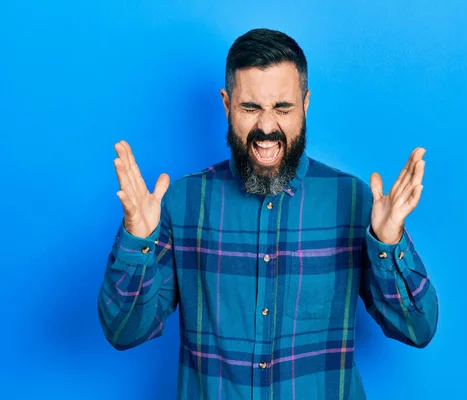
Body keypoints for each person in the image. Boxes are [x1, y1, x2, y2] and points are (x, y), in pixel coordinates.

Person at [98, 28, 438, 399]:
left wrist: (388, 243)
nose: (266, 127)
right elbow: (123, 331)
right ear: (226, 104)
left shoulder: (352, 199)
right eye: (250, 108)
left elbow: (417, 328)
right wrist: (138, 241)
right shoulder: (183, 202)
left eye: (283, 108)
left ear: (305, 104)